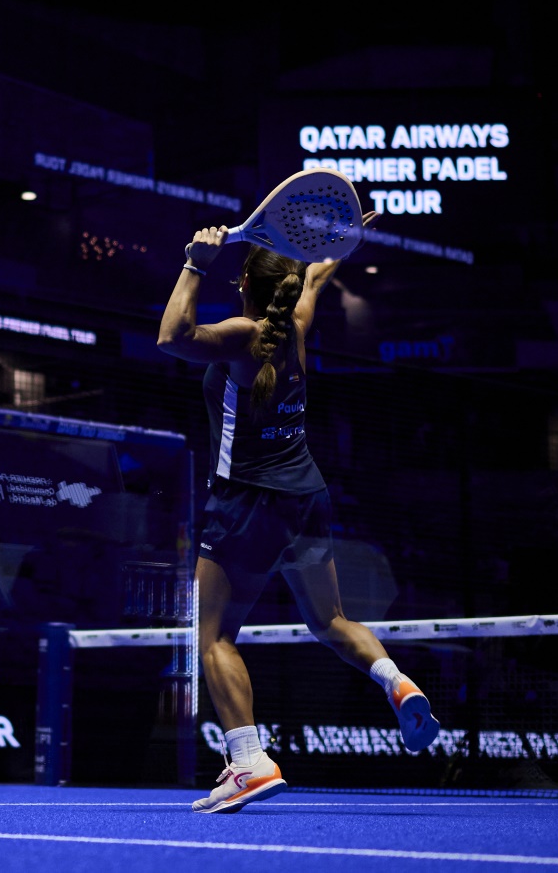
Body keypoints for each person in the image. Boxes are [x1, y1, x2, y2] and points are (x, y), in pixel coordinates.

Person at [157, 216, 440, 814]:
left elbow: (172, 337)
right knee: (332, 620)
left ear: (243, 284)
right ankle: (397, 681)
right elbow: (315, 274)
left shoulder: (241, 334)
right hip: (306, 496)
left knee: (213, 638)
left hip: (245, 505)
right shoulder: (298, 326)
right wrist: (335, 238)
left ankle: (249, 761)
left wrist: (193, 263)